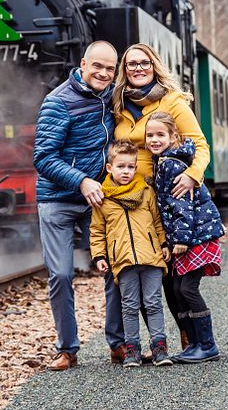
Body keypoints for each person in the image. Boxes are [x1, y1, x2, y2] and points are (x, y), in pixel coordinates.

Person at [112, 43, 209, 351]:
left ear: (153, 65)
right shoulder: (118, 106)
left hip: (168, 196)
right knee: (146, 267)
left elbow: (200, 146)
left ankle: (189, 333)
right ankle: (155, 341)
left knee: (171, 270)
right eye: (131, 64)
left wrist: (192, 176)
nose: (138, 68)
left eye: (144, 63)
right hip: (133, 199)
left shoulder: (173, 102)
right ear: (124, 71)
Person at [33, 41, 123, 371]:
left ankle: (119, 343)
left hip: (97, 200)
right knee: (60, 273)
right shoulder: (58, 102)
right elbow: (43, 157)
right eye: (96, 66)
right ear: (83, 63)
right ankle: (67, 349)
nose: (102, 73)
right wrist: (81, 181)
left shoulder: (113, 97)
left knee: (115, 269)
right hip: (58, 199)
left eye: (109, 69)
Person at [146, 112, 225, 363]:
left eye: (160, 135)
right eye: (150, 135)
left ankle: (207, 344)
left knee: (187, 289)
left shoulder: (171, 164)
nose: (154, 140)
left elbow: (182, 206)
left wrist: (179, 240)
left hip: (197, 236)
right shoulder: (162, 162)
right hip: (189, 235)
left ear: (174, 136)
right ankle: (194, 345)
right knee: (179, 290)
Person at [89, 140, 172, 367]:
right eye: (121, 167)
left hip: (151, 258)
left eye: (130, 167)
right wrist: (99, 256)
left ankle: (159, 350)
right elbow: (97, 230)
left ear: (136, 168)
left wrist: (163, 243)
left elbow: (157, 220)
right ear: (109, 168)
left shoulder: (145, 192)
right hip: (122, 261)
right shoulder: (102, 198)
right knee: (129, 305)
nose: (126, 172)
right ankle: (132, 351)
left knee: (153, 303)